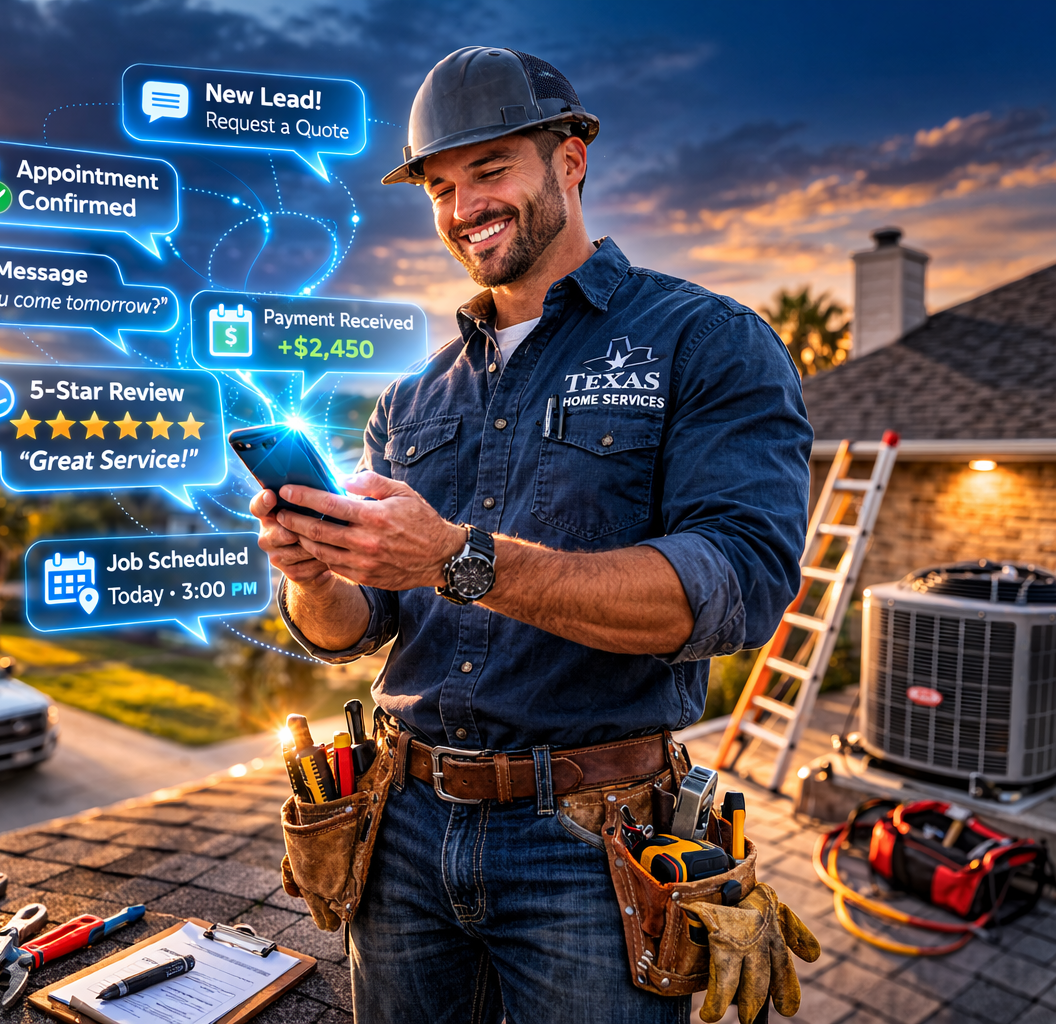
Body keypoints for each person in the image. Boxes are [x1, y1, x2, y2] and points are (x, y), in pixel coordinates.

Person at [250, 47, 812, 1023]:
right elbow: (358, 627)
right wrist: (313, 571)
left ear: (571, 160)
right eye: (440, 185)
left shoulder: (705, 341)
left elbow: (741, 584)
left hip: (590, 845)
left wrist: (459, 559)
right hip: (405, 826)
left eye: (490, 168)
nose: (464, 205)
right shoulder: (414, 398)